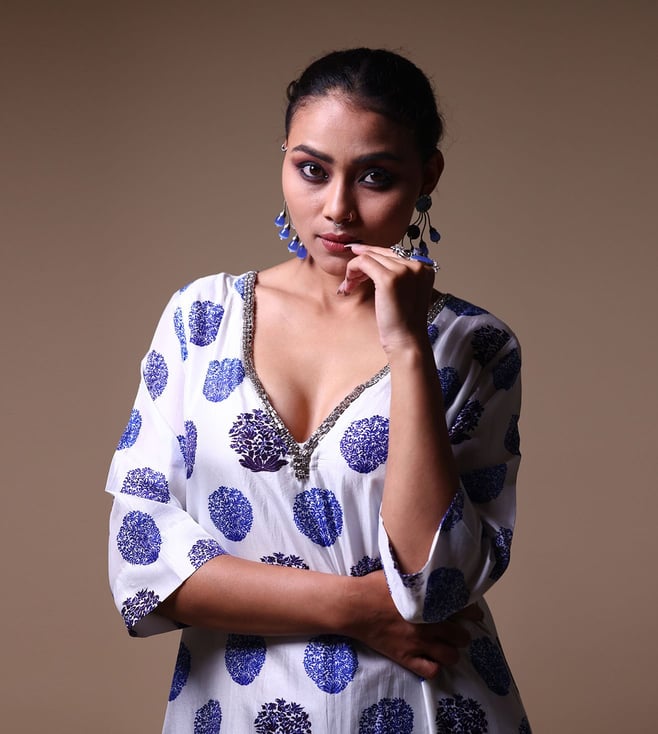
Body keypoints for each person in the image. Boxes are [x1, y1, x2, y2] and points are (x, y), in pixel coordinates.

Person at [106, 48, 530, 733]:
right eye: (312, 169)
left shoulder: (475, 346)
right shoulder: (200, 318)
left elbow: (432, 585)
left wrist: (408, 348)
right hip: (231, 711)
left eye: (376, 177)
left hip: (425, 706)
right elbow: (142, 562)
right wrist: (355, 610)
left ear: (427, 176)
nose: (337, 209)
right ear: (284, 160)